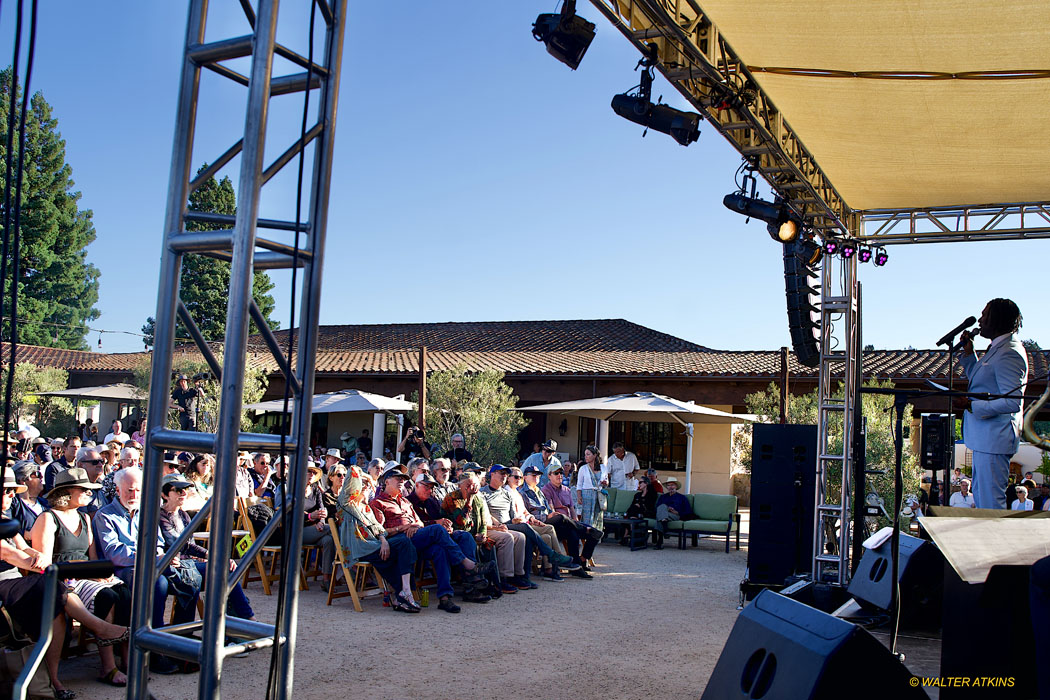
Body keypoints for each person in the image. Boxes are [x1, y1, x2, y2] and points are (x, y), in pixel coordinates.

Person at [0, 471, 130, 699]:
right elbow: (10, 553)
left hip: (32, 579)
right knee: (56, 588)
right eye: (7, 490)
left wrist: (34, 555)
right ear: (67, 492)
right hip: (8, 580)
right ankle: (99, 628)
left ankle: (59, 678)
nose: (11, 495)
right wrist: (36, 561)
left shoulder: (6, 520)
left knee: (115, 592)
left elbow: (23, 546)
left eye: (13, 490)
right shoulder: (47, 518)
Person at [32, 467, 133, 689]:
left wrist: (100, 574)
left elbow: (93, 557)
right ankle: (108, 667)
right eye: (84, 490)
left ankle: (125, 660)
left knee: (124, 591)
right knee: (105, 596)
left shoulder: (85, 518)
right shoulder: (48, 519)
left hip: (86, 576)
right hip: (61, 578)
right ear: (67, 491)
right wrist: (88, 573)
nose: (90, 494)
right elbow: (46, 564)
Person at [94, 466, 201, 674]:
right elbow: (114, 552)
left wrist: (163, 557)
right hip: (124, 569)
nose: (134, 495)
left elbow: (159, 542)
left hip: (154, 563)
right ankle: (155, 649)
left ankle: (180, 640)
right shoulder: (104, 515)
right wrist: (153, 557)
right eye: (129, 490)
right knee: (157, 583)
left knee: (192, 578)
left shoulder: (146, 513)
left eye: (137, 491)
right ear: (117, 490)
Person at [372, 467, 487, 612]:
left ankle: (445, 597)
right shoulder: (378, 503)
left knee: (442, 549)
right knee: (438, 530)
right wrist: (404, 527)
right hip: (401, 541)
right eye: (398, 478)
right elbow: (380, 531)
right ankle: (467, 564)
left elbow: (418, 522)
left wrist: (416, 525)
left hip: (417, 537)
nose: (402, 481)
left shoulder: (406, 502)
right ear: (387, 481)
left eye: (403, 479)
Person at [953, 299, 1028, 509]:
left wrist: (972, 406)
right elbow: (983, 382)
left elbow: (1013, 401)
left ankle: (995, 541)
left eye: (985, 315)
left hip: (994, 439)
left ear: (997, 319)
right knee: (983, 496)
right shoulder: (999, 348)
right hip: (986, 440)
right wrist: (969, 355)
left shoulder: (1009, 352)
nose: (980, 320)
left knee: (990, 502)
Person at [158, 473, 255, 619]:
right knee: (221, 569)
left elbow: (189, 545)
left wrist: (206, 558)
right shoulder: (160, 516)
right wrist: (211, 556)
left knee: (227, 569)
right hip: (173, 567)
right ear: (165, 494)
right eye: (178, 490)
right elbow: (179, 544)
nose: (184, 493)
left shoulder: (184, 515)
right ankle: (245, 620)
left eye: (185, 489)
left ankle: (236, 621)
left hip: (188, 564)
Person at [337, 465, 420, 613]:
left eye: (369, 485)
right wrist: (364, 474)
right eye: (363, 484)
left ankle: (404, 592)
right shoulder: (347, 505)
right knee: (402, 543)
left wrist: (383, 541)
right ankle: (404, 593)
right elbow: (351, 475)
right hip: (360, 547)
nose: (367, 487)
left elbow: (379, 529)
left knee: (405, 544)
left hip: (374, 545)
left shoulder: (366, 508)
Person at [408, 473, 492, 603]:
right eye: (427, 487)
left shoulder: (432, 501)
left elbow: (446, 521)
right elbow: (412, 526)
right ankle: (469, 572)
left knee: (464, 535)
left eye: (432, 488)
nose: (430, 491)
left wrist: (447, 526)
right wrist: (436, 524)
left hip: (440, 537)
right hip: (421, 540)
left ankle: (469, 588)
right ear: (417, 485)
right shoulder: (408, 501)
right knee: (439, 545)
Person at [442, 472, 523, 596]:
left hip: (474, 535)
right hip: (456, 535)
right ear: (460, 486)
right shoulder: (452, 498)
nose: (472, 488)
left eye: (475, 484)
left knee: (488, 544)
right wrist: (468, 500)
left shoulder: (478, 498)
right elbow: (461, 523)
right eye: (468, 485)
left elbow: (483, 522)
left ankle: (495, 584)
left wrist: (482, 533)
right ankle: (476, 582)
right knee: (469, 540)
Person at [504, 465, 574, 581]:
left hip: (529, 521)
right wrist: (539, 518)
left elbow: (525, 511)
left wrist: (532, 518)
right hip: (518, 525)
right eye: (516, 477)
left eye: (520, 477)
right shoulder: (511, 492)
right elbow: (513, 515)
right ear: (508, 478)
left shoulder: (517, 492)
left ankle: (549, 569)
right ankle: (558, 558)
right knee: (552, 526)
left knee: (548, 536)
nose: (518, 479)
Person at [532, 465, 599, 576]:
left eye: (561, 473)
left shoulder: (566, 490)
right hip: (557, 524)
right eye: (556, 473)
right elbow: (551, 511)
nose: (560, 475)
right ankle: (577, 568)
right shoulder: (546, 490)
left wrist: (575, 521)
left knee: (596, 533)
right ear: (549, 476)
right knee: (567, 525)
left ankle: (582, 559)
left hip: (569, 524)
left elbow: (572, 509)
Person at [8, 460, 47, 536]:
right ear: (23, 480)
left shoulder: (46, 503)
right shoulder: (12, 503)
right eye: (37, 474)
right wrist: (26, 534)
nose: (41, 477)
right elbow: (7, 527)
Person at [654, 477, 695, 548]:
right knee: (662, 506)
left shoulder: (682, 498)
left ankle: (660, 540)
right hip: (665, 514)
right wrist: (667, 508)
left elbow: (688, 511)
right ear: (667, 487)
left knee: (660, 516)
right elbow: (657, 508)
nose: (670, 487)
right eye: (669, 485)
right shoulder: (663, 497)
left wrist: (677, 512)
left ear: (676, 486)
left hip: (675, 515)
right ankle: (664, 525)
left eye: (672, 485)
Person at [576, 445, 605, 530]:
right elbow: (579, 484)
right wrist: (579, 496)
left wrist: (605, 483)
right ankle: (586, 536)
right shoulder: (583, 468)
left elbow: (606, 481)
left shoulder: (603, 467)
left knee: (597, 516)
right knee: (587, 516)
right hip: (587, 494)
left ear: (595, 455)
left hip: (599, 495)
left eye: (588, 454)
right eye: (585, 454)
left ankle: (596, 535)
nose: (586, 457)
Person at [75, 445, 110, 515]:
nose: (100, 465)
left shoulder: (102, 485)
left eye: (101, 461)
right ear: (80, 465)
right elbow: (82, 518)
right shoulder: (76, 489)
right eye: (95, 462)